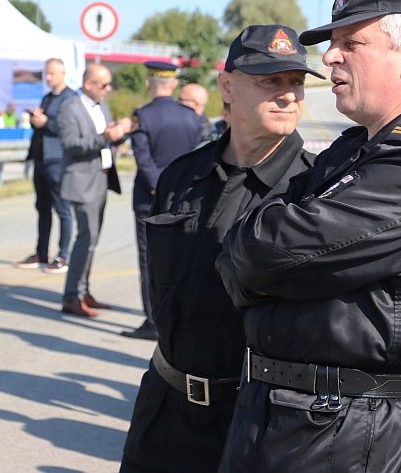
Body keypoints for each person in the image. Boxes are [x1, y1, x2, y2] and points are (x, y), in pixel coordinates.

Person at [215, 0, 401, 472]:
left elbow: (261, 253)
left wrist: (260, 260)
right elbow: (244, 243)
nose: (330, 57)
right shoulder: (357, 147)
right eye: (333, 42)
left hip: (345, 430)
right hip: (294, 417)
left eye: (351, 43)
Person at [121, 24, 322, 472]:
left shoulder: (314, 193)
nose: (289, 94)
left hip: (256, 421)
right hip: (165, 408)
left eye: (296, 82)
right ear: (228, 85)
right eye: (271, 80)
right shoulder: (180, 177)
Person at [121, 61, 203, 341]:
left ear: (148, 84)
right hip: (184, 199)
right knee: (181, 259)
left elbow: (143, 160)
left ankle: (153, 322)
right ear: (174, 85)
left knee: (149, 261)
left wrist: (159, 187)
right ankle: (178, 317)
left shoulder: (142, 117)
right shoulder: (192, 117)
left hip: (149, 200)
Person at [59, 63, 133, 318]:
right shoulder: (69, 107)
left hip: (100, 179)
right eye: (103, 85)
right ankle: (72, 296)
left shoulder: (100, 105)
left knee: (92, 240)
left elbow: (108, 136)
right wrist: (106, 137)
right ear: (88, 84)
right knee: (85, 239)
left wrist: (121, 133)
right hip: (81, 181)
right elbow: (70, 144)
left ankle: (83, 290)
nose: (108, 89)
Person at [15, 58, 77, 273]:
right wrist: (36, 119)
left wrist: (46, 123)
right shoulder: (47, 97)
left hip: (58, 160)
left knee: (63, 209)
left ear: (62, 73)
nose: (48, 77)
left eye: (52, 73)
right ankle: (41, 253)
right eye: (46, 73)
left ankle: (63, 256)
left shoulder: (71, 98)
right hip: (41, 159)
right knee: (42, 208)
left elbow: (68, 127)